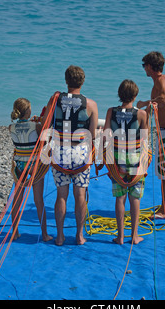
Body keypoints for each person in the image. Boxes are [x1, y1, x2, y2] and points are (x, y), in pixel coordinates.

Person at [42, 65, 98, 245]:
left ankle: (59, 236)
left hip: (60, 152)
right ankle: (79, 235)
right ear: (82, 82)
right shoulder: (91, 104)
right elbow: (92, 135)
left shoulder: (55, 100)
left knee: (61, 195)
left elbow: (46, 124)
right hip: (80, 152)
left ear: (66, 81)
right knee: (80, 195)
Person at [103, 80, 149, 245]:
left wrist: (103, 160)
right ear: (135, 96)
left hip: (117, 160)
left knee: (120, 198)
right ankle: (134, 235)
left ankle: (120, 236)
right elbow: (145, 139)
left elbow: (106, 136)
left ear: (119, 95)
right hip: (135, 160)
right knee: (135, 198)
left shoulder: (111, 112)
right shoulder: (142, 115)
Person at [137, 51, 165, 219]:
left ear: (149, 66)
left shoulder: (163, 80)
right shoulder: (159, 81)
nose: (144, 69)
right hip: (164, 131)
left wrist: (143, 103)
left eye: (144, 66)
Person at [9, 98, 52, 242]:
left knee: (17, 199)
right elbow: (44, 142)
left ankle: (15, 232)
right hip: (34, 165)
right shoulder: (36, 126)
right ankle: (45, 234)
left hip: (19, 165)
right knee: (38, 200)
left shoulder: (11, 127)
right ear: (28, 110)